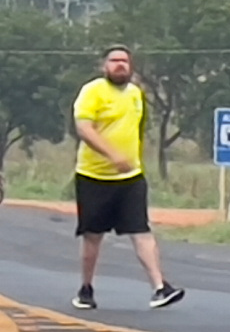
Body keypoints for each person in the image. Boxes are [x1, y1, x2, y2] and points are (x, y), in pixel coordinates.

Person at [70, 45, 183, 310]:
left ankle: (160, 287)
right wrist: (112, 155)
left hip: (130, 176)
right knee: (93, 235)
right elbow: (84, 128)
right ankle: (86, 288)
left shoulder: (135, 94)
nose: (120, 65)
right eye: (114, 61)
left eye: (124, 61)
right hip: (94, 175)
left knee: (141, 230)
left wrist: (129, 159)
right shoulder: (92, 91)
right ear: (104, 65)